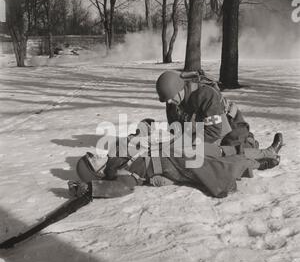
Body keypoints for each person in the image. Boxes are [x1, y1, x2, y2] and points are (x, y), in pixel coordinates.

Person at [69, 119, 282, 200]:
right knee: (224, 166)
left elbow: (136, 139)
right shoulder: (118, 173)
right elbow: (123, 188)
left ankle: (267, 152)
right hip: (174, 162)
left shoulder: (116, 155)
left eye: (91, 155)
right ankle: (262, 161)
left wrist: (141, 130)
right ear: (96, 173)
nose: (95, 155)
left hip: (174, 147)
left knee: (223, 152)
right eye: (92, 160)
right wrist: (92, 189)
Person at [156, 70, 259, 149]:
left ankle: (252, 144)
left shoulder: (205, 95)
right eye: (166, 100)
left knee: (230, 154)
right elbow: (176, 130)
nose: (168, 102)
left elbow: (213, 133)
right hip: (203, 131)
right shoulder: (172, 101)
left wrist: (185, 143)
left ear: (179, 90)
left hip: (230, 129)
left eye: (170, 98)